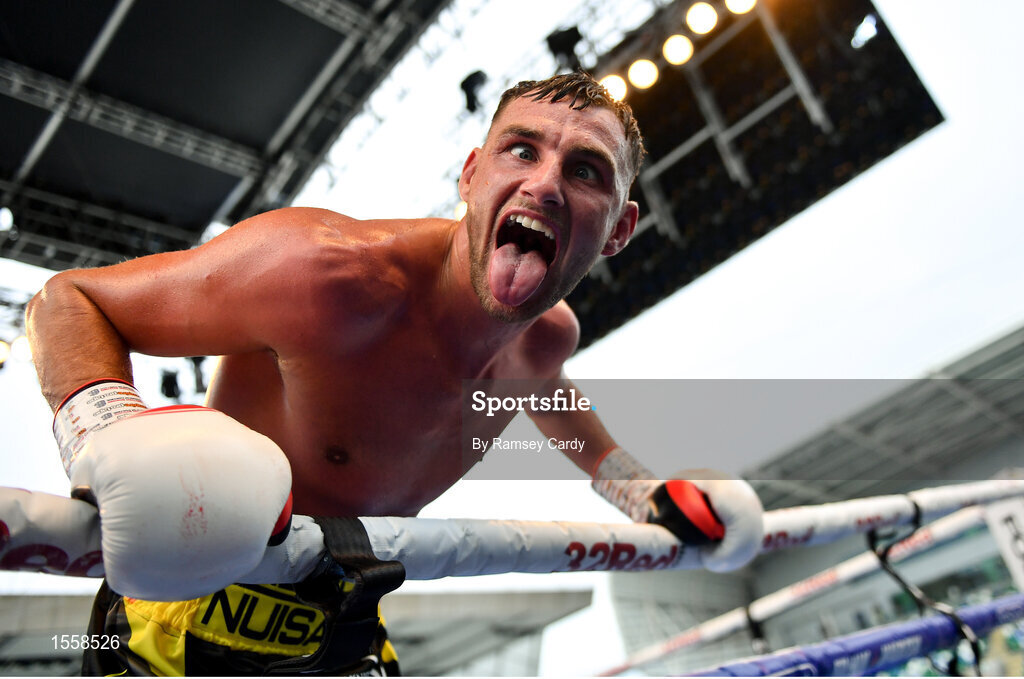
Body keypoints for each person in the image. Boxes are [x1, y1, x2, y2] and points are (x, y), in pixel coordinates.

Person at [26, 71, 763, 675]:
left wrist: (640, 490)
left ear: (618, 231)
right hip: (173, 626)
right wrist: (112, 437)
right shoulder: (323, 275)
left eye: (584, 170)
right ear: (472, 174)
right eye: (520, 151)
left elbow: (548, 392)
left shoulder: (545, 340)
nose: (544, 184)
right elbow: (70, 299)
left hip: (347, 627)